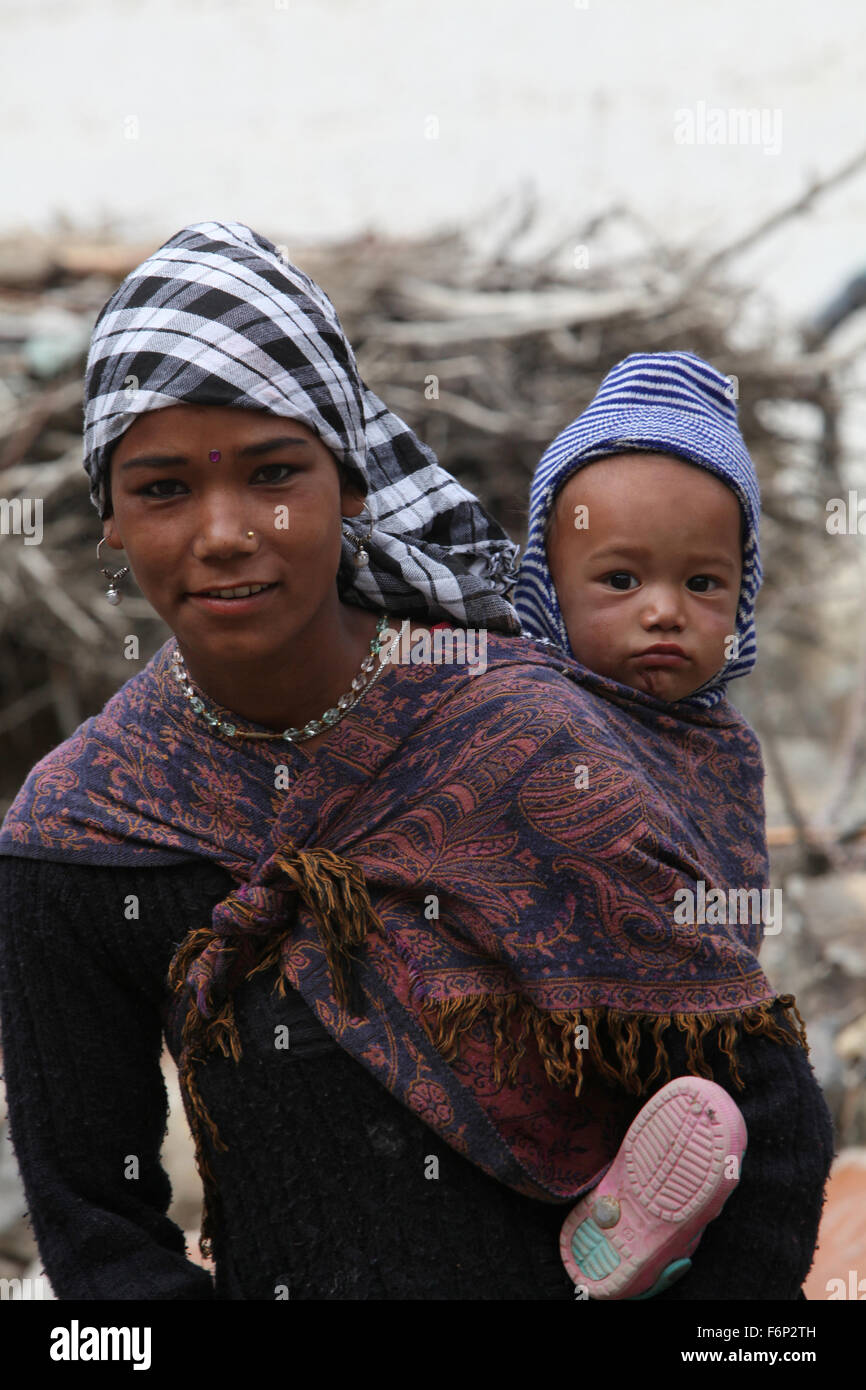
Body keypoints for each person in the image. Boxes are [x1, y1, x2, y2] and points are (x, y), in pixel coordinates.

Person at [0, 226, 826, 1302]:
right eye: (162, 488)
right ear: (107, 516)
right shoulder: (81, 833)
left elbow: (763, 1117)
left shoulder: (515, 737)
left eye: (274, 474)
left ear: (349, 482)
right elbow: (95, 1228)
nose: (225, 531)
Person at [514, 350, 835, 1299]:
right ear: (547, 585)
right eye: (620, 580)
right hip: (541, 1069)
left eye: (703, 585)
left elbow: (728, 931)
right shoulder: (517, 718)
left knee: (769, 1144)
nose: (665, 613)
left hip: (690, 1102)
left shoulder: (724, 751)